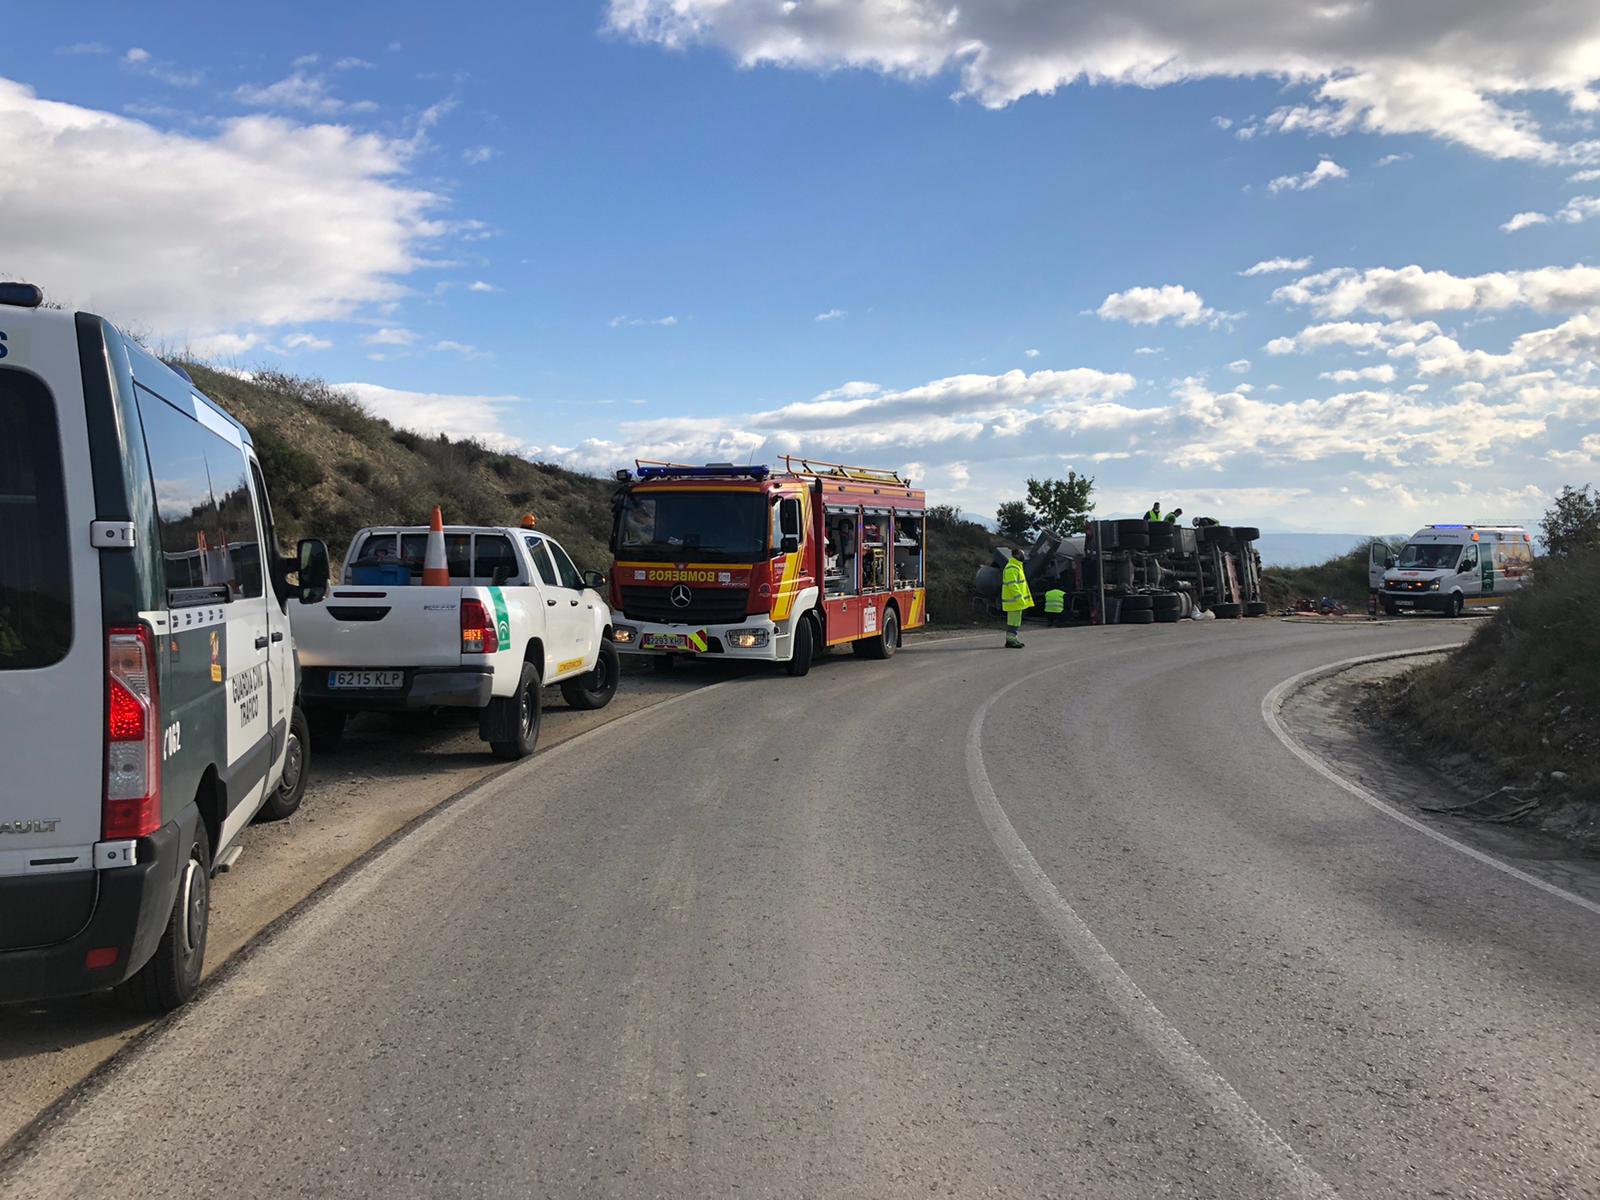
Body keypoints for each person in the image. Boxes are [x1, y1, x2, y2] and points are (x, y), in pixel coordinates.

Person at [999, 549, 1033, 648]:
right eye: (1022, 554)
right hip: (1014, 601)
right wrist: (1019, 598)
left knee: (1015, 622)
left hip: (1016, 602)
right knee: (1013, 622)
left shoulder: (1017, 567)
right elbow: (1012, 585)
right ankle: (1011, 641)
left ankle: (1013, 640)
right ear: (1017, 555)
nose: (1024, 556)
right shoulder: (1012, 567)